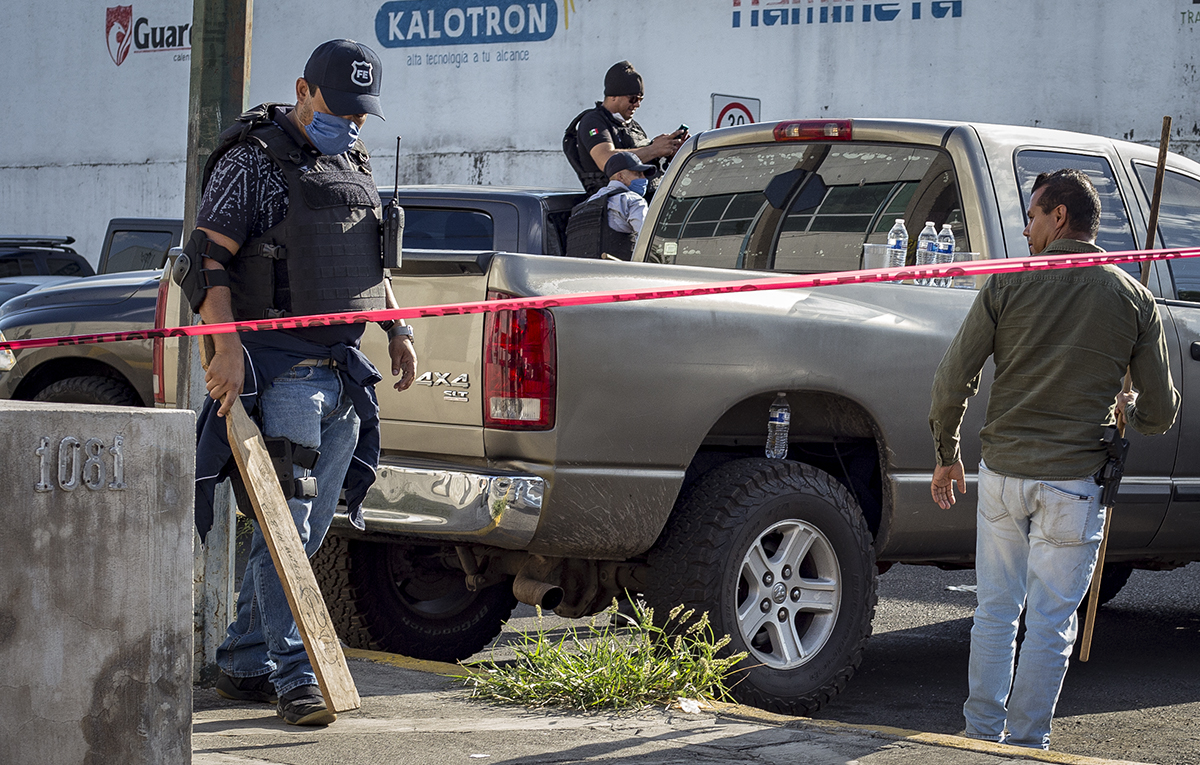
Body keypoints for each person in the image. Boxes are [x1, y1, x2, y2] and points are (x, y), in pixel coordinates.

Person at [178, 39, 417, 727]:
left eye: (361, 115)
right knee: (285, 527)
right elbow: (204, 263)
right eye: (338, 109)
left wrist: (396, 328)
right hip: (279, 373)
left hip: (344, 373)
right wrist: (224, 348)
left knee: (306, 532)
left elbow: (368, 258)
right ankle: (294, 674)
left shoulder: (354, 158)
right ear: (303, 90)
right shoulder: (252, 161)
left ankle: (244, 659)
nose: (350, 124)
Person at [927, 168, 1179, 749]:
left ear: (1059, 216)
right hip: (1074, 483)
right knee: (1048, 622)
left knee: (995, 612)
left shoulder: (1009, 283)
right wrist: (1127, 412)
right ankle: (1024, 746)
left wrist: (947, 453)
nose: (1026, 227)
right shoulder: (1133, 295)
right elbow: (1162, 412)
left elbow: (951, 380)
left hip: (1002, 476)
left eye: (1034, 215)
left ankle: (979, 736)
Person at [564, 60, 686, 199]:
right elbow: (606, 159)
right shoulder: (593, 121)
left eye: (641, 99)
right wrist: (654, 149)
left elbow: (643, 160)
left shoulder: (633, 127)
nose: (637, 105)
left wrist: (668, 151)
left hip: (647, 200)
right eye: (633, 99)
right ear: (613, 96)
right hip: (617, 208)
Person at [564, 152, 656, 260]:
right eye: (638, 174)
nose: (644, 178)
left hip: (579, 274)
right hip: (617, 274)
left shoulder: (584, 206)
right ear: (620, 176)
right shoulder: (632, 200)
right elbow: (648, 239)